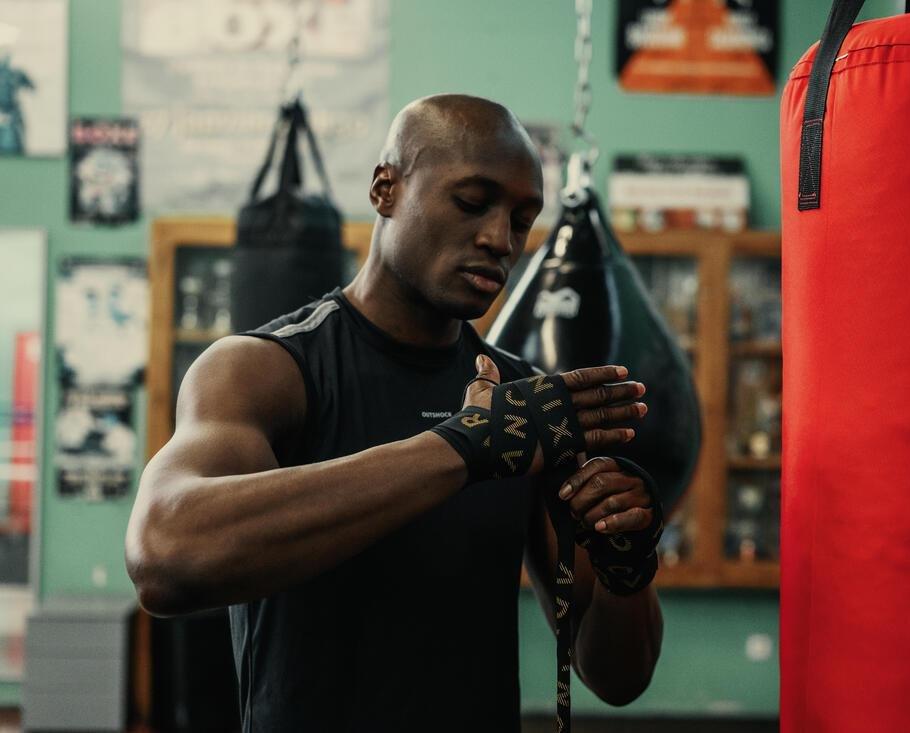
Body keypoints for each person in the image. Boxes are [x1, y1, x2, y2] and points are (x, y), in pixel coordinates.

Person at [126, 94, 664, 732]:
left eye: (522, 220)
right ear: (386, 188)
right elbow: (165, 557)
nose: (500, 239)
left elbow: (617, 678)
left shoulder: (523, 407)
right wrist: (460, 448)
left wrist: (628, 567)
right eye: (472, 202)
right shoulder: (266, 372)